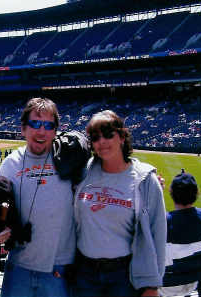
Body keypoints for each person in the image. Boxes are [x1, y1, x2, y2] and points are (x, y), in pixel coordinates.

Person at [73, 110, 166, 297]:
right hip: (84, 273)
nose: (102, 142)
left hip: (123, 275)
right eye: (95, 137)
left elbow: (158, 235)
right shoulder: (84, 172)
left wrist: (152, 285)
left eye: (108, 134)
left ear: (122, 137)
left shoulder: (145, 180)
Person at [0, 97, 76, 297]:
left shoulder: (70, 158)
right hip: (18, 268)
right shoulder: (10, 164)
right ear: (23, 128)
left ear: (55, 131)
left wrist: (141, 172)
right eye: (35, 123)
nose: (42, 131)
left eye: (48, 125)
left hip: (59, 269)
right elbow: (0, 206)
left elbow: (105, 170)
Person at [159, 171, 201, 296]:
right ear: (197, 193)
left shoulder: (163, 223)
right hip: (194, 282)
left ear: (171, 193)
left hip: (164, 285)